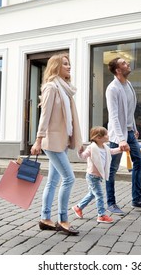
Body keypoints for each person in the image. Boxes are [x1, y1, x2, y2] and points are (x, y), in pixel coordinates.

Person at [31, 53, 82, 236]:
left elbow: (68, 118)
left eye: (69, 64)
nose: (69, 67)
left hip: (61, 141)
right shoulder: (52, 87)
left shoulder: (65, 88)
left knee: (53, 181)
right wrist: (38, 139)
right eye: (65, 64)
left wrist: (76, 139)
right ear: (56, 67)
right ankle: (63, 220)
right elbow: (44, 116)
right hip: (51, 141)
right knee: (69, 178)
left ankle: (45, 218)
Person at [105, 57, 141, 215]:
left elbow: (129, 109)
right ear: (118, 70)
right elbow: (113, 117)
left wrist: (133, 127)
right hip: (117, 135)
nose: (129, 64)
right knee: (112, 170)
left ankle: (136, 199)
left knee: (139, 162)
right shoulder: (112, 89)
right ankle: (111, 203)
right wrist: (121, 139)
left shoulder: (129, 85)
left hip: (129, 132)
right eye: (124, 63)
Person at [72, 126, 122, 224]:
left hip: (98, 176)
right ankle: (101, 215)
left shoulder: (105, 147)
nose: (108, 136)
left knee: (92, 194)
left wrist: (120, 149)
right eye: (106, 134)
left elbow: (112, 151)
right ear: (98, 137)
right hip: (92, 176)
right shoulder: (91, 147)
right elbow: (82, 156)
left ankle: (78, 207)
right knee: (99, 195)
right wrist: (80, 151)